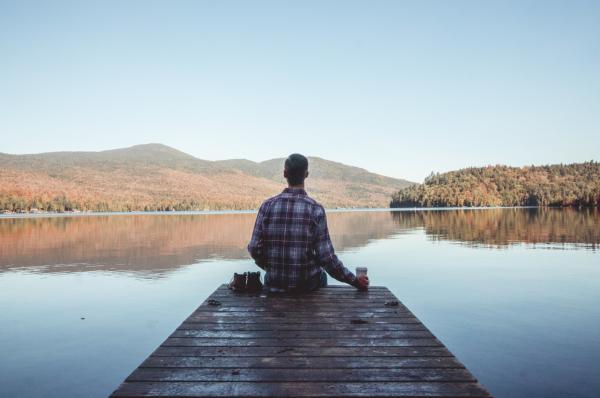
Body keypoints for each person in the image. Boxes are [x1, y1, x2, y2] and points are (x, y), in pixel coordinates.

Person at [247, 153, 370, 293]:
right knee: (321, 275)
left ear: (285, 174)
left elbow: (254, 248)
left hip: (274, 284)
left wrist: (270, 267)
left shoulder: (267, 206)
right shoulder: (315, 209)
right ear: (306, 174)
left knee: (271, 276)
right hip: (306, 287)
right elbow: (327, 259)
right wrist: (354, 281)